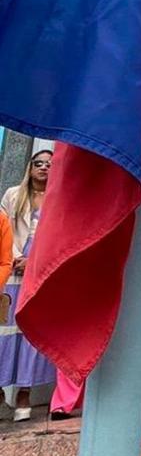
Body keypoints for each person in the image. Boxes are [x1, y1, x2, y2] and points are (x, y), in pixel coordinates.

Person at [0, 149, 56, 420]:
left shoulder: (58, 199)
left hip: (40, 272)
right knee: (4, 332)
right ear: (30, 167)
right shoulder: (13, 195)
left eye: (49, 164)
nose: (44, 167)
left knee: (30, 334)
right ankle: (1, 393)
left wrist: (34, 261)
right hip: (10, 271)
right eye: (39, 163)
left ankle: (25, 393)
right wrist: (15, 258)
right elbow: (3, 230)